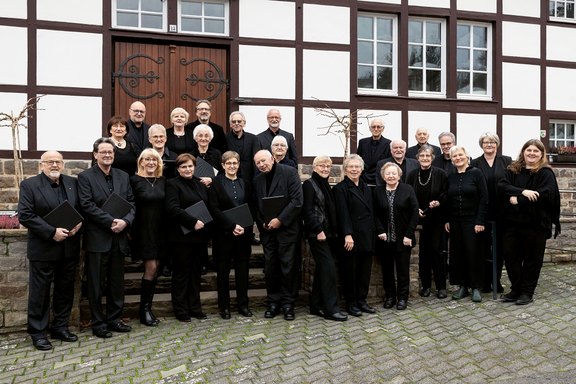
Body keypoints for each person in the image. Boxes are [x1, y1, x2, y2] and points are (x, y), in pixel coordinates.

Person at [17, 151, 83, 351]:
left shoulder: (73, 182)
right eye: (50, 162)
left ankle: (60, 327)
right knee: (40, 292)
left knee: (65, 290)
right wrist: (51, 232)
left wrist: (78, 224)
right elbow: (25, 215)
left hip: (69, 246)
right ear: (41, 165)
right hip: (43, 247)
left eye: (58, 162)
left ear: (63, 164)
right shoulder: (29, 185)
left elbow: (81, 208)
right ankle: (38, 333)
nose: (55, 165)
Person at [78, 138, 135, 338]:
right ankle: (98, 322)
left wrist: (126, 222)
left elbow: (131, 203)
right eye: (103, 152)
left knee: (116, 282)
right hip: (98, 237)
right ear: (95, 154)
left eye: (110, 152)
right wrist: (111, 221)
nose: (108, 155)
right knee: (95, 283)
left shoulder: (123, 176)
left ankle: (114, 319)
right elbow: (86, 205)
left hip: (119, 237)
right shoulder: (85, 177)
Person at [499, 139, 561, 305]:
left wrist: (518, 199)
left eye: (536, 151)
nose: (532, 153)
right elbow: (502, 186)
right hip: (512, 223)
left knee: (532, 259)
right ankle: (516, 289)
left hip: (536, 224)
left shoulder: (545, 173)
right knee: (510, 256)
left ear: (541, 154)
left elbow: (545, 194)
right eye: (529, 150)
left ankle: (527, 292)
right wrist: (524, 192)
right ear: (523, 152)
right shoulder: (513, 170)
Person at [253, 150, 303, 320]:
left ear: (273, 159)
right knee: (270, 268)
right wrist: (262, 223)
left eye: (264, 161)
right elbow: (256, 205)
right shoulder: (257, 179)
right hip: (268, 232)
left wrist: (280, 220)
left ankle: (288, 304)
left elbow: (297, 201)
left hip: (287, 230)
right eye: (258, 162)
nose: (261, 164)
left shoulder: (289, 173)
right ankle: (273, 302)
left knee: (288, 268)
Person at [165, 153, 211, 321]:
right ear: (178, 169)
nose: (187, 169)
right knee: (181, 274)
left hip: (199, 237)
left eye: (190, 166)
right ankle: (180, 309)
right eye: (183, 166)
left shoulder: (200, 184)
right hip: (181, 238)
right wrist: (193, 222)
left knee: (195, 273)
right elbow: (172, 208)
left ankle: (194, 307)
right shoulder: (172, 184)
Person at [208, 151, 254, 319]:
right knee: (223, 272)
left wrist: (244, 227)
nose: (232, 166)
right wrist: (231, 225)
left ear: (239, 164)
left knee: (243, 271)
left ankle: (243, 305)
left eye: (235, 163)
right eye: (229, 163)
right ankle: (224, 307)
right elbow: (214, 208)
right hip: (223, 235)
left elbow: (251, 206)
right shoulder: (216, 184)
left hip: (243, 235)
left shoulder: (246, 183)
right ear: (223, 165)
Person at [302, 156, 348, 322]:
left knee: (323, 269)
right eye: (321, 165)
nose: (325, 168)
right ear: (314, 168)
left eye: (328, 166)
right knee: (328, 269)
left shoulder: (326, 184)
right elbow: (307, 211)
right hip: (317, 235)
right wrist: (318, 230)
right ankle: (331, 309)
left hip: (329, 235)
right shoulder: (309, 184)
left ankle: (315, 305)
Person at [333, 154, 376, 316]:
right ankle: (351, 303)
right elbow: (342, 214)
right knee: (349, 271)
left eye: (357, 167)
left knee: (364, 271)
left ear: (362, 169)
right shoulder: (340, 189)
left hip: (367, 236)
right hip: (351, 237)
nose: (354, 169)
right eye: (350, 167)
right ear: (345, 170)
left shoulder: (366, 187)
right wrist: (347, 234)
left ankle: (362, 300)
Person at [445, 145, 488, 303]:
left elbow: (484, 197)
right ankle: (462, 286)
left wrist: (480, 220)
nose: (458, 158)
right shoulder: (451, 176)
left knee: (473, 252)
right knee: (458, 253)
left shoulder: (476, 173)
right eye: (454, 156)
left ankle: (476, 287)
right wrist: (447, 219)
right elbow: (447, 200)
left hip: (473, 221)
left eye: (460, 155)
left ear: (466, 156)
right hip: (455, 221)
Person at [470, 132, 512, 294]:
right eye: (486, 142)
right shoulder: (474, 163)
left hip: (503, 211)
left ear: (497, 144)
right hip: (482, 212)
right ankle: (485, 281)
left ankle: (497, 281)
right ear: (481, 144)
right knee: (483, 247)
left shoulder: (506, 161)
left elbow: (511, 182)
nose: (489, 145)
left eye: (492, 142)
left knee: (500, 247)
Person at [374, 162, 419, 310]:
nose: (391, 176)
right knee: (387, 271)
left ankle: (402, 298)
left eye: (394, 173)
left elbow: (414, 213)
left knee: (403, 271)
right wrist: (380, 230)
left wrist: (409, 234)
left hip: (403, 239)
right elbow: (374, 214)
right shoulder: (378, 191)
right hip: (385, 239)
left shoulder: (407, 189)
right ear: (383, 176)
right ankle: (390, 297)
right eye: (388, 173)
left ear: (399, 175)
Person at [406, 145, 448, 299]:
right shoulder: (411, 175)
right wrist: (415, 209)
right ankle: (425, 286)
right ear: (417, 158)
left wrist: (438, 202)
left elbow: (445, 194)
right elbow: (408, 194)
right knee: (423, 254)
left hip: (436, 219)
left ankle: (441, 287)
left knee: (438, 252)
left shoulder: (441, 174)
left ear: (432, 158)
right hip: (419, 220)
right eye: (422, 156)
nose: (425, 158)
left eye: (427, 156)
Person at [130, 148, 166, 326]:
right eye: (147, 159)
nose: (151, 162)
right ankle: (144, 310)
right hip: (143, 230)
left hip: (160, 229)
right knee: (150, 268)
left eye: (154, 159)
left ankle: (148, 307)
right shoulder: (134, 180)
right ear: (141, 162)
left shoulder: (163, 181)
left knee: (157, 266)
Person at [225, 111, 261, 182]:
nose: (236, 123)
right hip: (231, 178)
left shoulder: (253, 138)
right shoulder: (225, 138)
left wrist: (257, 177)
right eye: (233, 121)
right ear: (230, 124)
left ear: (244, 123)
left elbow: (257, 159)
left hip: (250, 179)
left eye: (239, 121)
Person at [356, 118, 391, 185]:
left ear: (383, 129)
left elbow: (387, 164)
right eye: (373, 127)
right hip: (363, 180)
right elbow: (358, 160)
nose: (376, 129)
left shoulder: (389, 144)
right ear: (370, 128)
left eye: (378, 127)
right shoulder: (362, 142)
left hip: (379, 180)